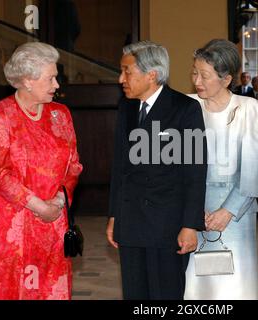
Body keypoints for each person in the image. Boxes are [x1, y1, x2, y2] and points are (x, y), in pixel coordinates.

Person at [106, 41, 207, 300]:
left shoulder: (184, 109)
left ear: (151, 74)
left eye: (127, 72)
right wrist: (115, 215)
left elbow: (194, 172)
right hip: (130, 222)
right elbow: (119, 168)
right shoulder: (126, 107)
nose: (121, 79)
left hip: (167, 226)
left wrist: (189, 225)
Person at [0, 42, 83, 300]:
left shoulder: (61, 114)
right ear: (28, 80)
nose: (57, 84)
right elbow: (1, 174)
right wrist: (39, 206)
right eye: (51, 78)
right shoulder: (0, 116)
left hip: (55, 216)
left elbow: (74, 165)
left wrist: (59, 202)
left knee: (52, 287)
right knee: (16, 288)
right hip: (14, 220)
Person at [185, 39, 258, 300]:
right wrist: (190, 208)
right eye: (194, 72)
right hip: (192, 213)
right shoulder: (186, 107)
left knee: (232, 289)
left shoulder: (249, 110)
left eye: (205, 75)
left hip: (236, 216)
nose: (197, 80)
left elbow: (254, 170)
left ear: (226, 79)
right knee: (194, 288)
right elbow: (175, 165)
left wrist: (227, 211)